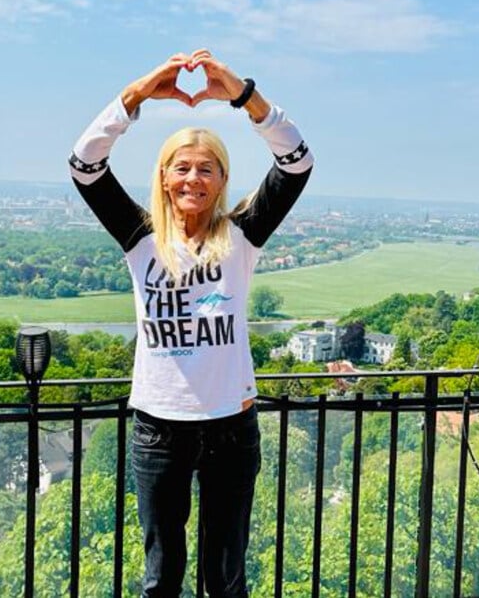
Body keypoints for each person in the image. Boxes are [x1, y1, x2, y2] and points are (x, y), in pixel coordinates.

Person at [68, 49, 313, 597]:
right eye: (182, 167)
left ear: (222, 178)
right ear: (164, 176)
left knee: (224, 580)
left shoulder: (241, 236)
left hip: (231, 425)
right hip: (159, 427)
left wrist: (245, 97)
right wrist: (136, 95)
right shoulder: (141, 237)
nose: (193, 179)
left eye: (206, 169)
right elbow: (85, 165)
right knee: (162, 580)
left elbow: (296, 163)